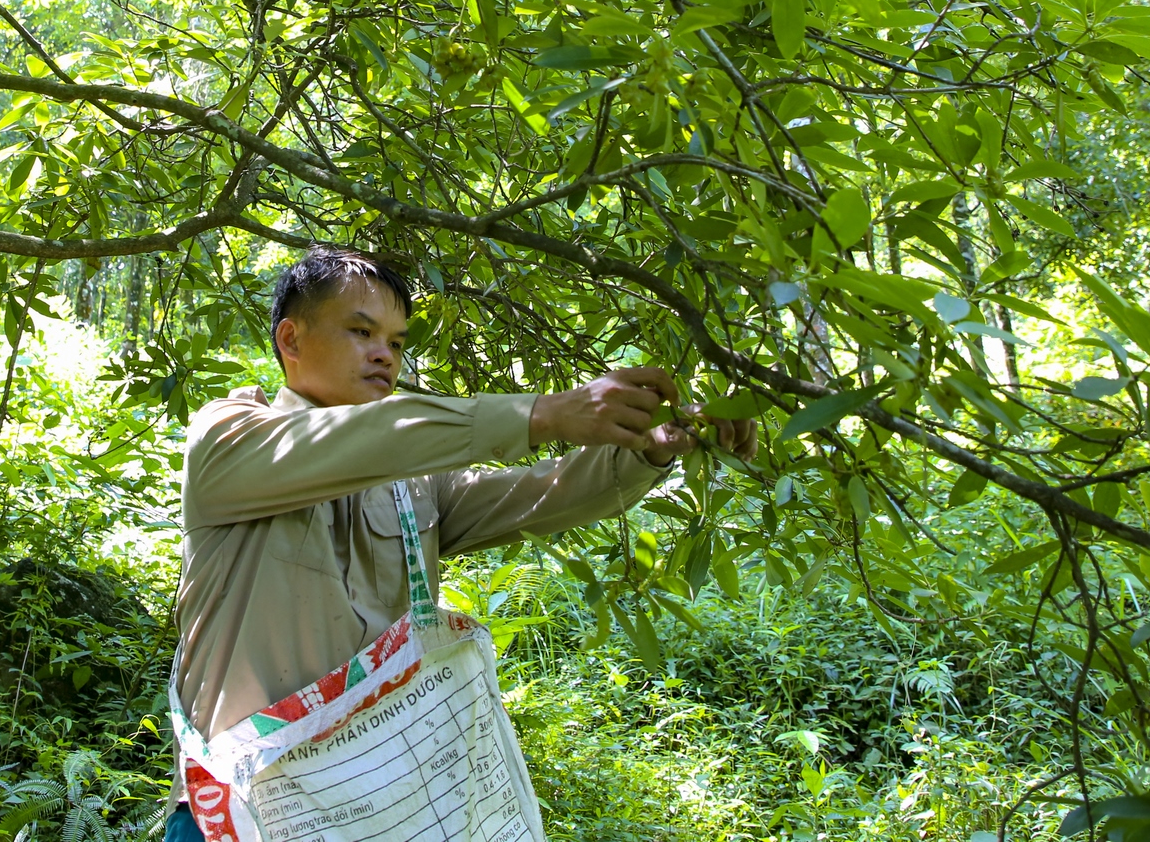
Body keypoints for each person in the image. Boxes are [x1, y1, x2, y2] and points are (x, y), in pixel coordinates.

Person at [165, 248, 758, 840]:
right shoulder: (228, 440)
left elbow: (538, 495)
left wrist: (651, 447)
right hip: (242, 813)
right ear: (291, 340)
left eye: (397, 343)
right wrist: (544, 413)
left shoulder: (411, 479)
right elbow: (364, 438)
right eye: (361, 330)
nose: (383, 355)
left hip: (373, 813)